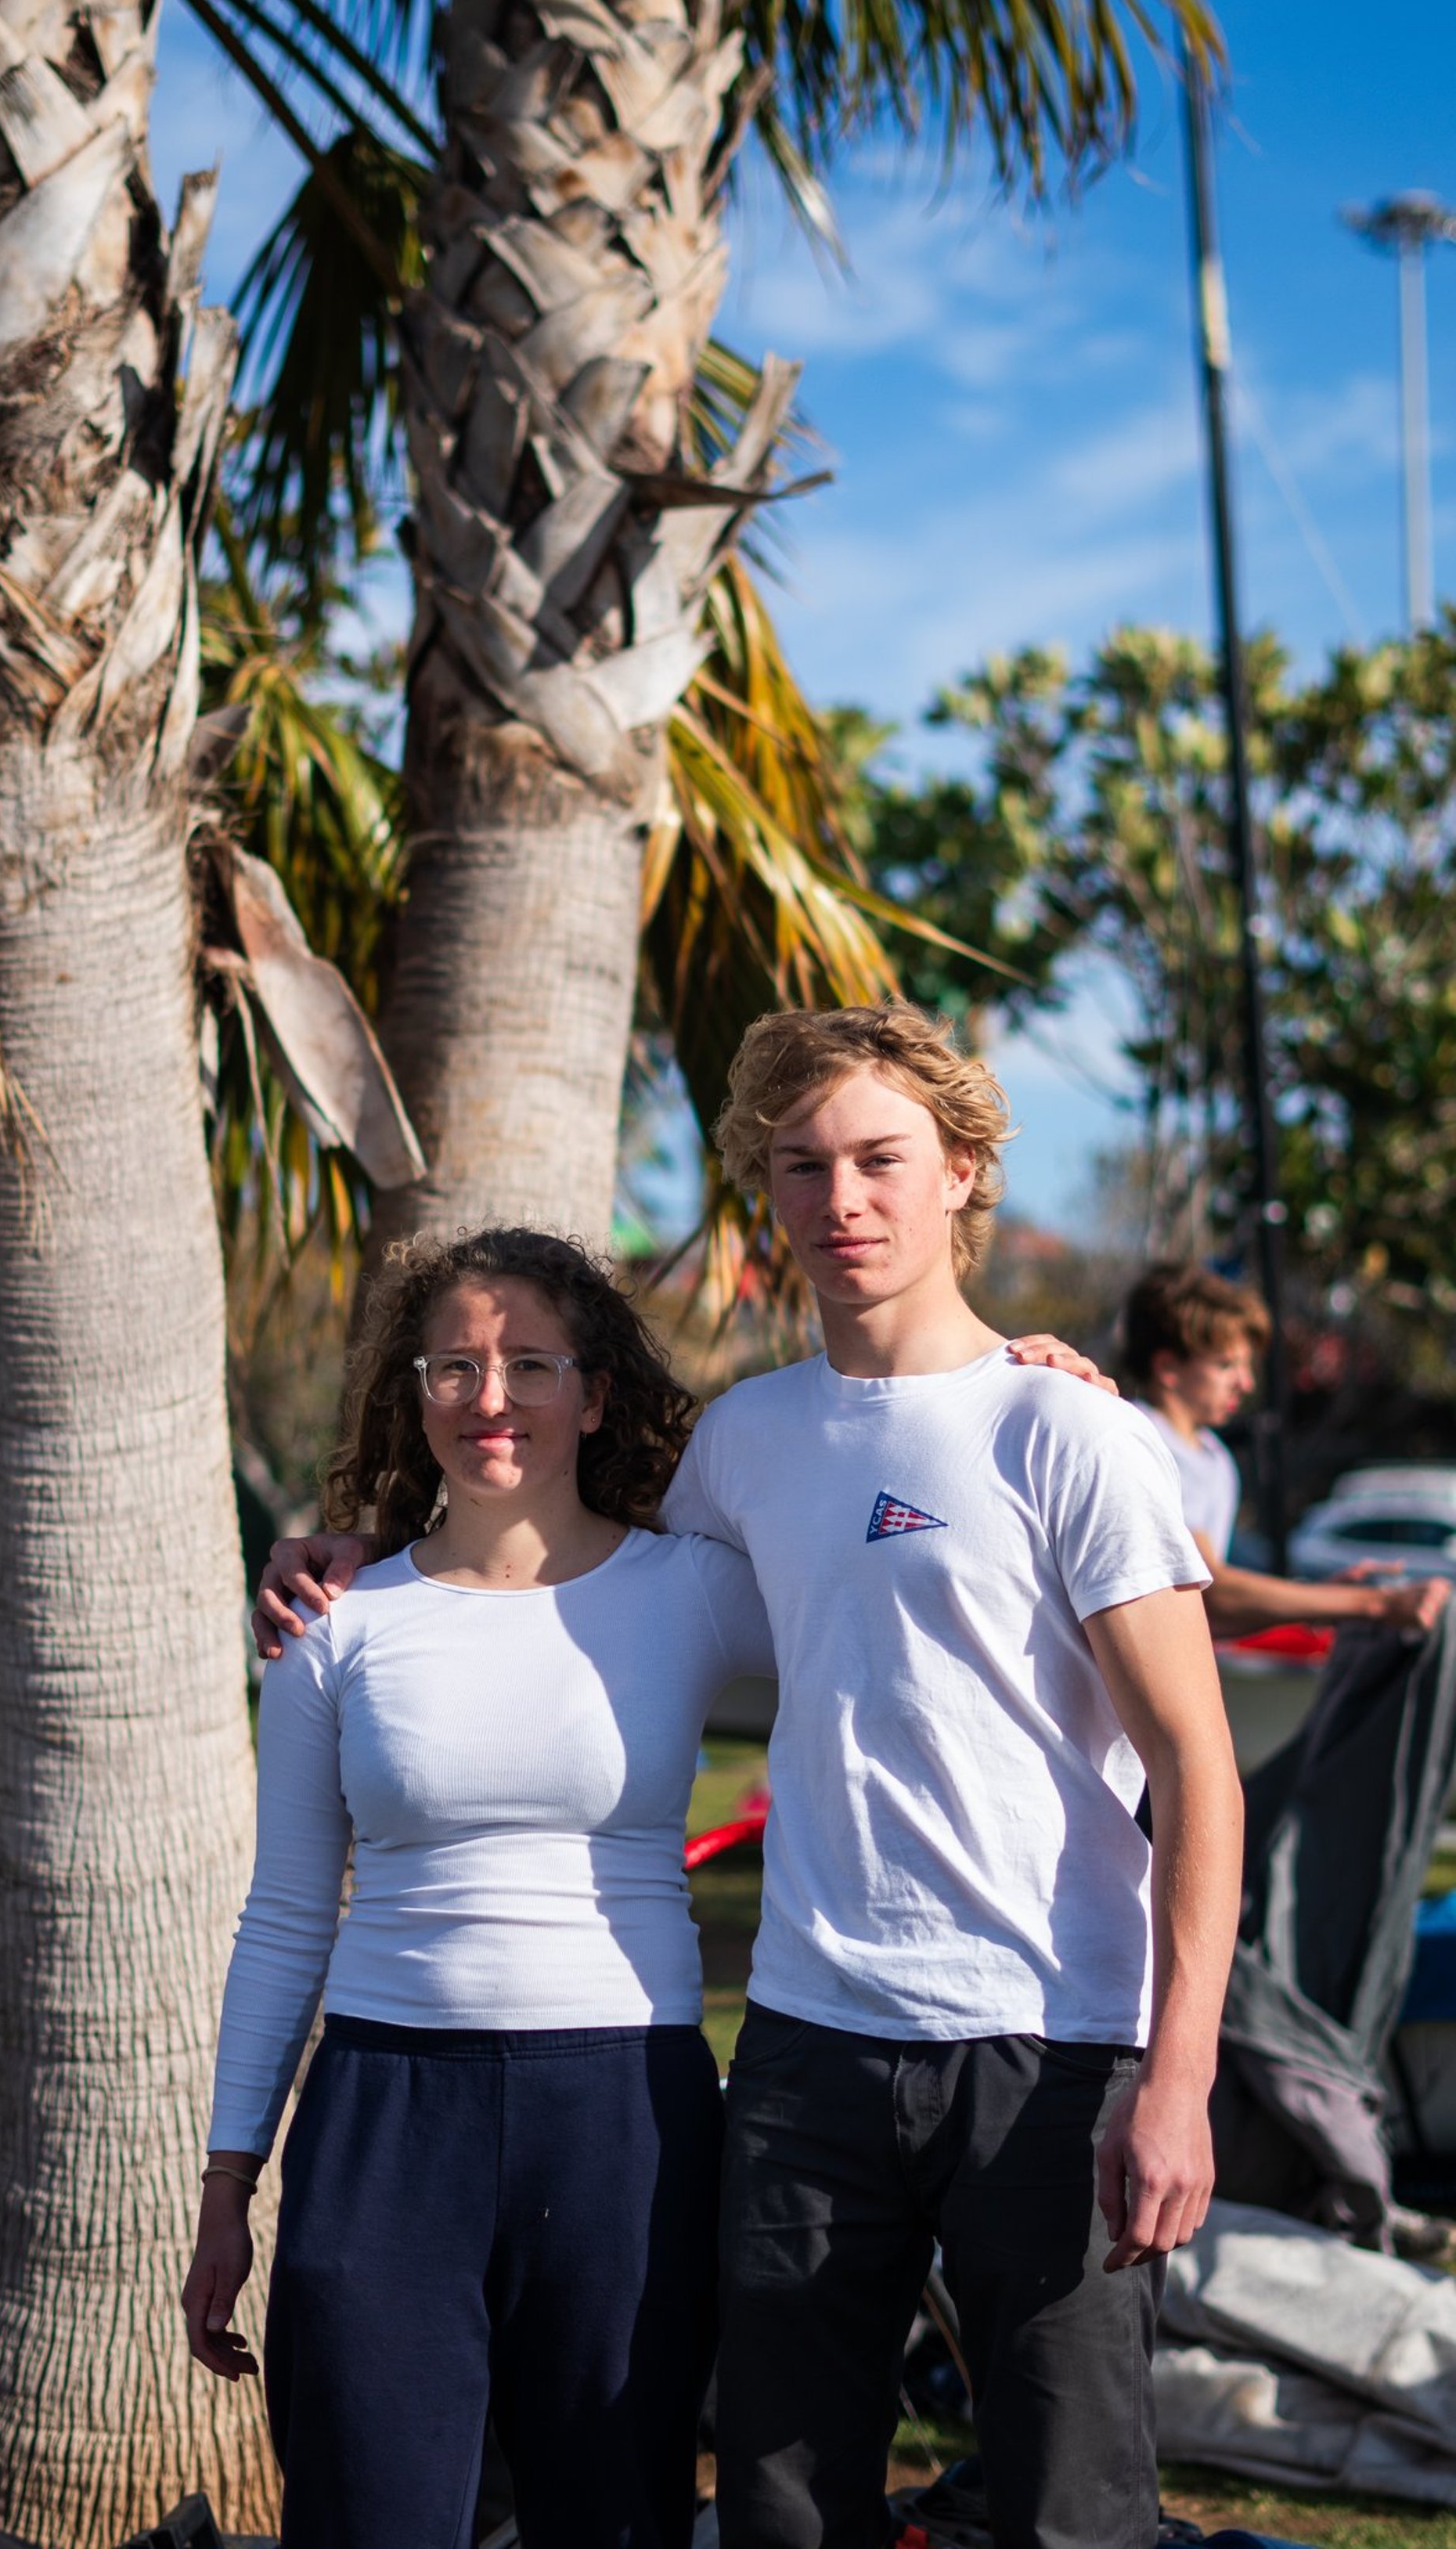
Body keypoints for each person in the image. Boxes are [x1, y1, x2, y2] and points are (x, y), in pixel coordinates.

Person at [258, 1002, 1245, 2549]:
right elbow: (546, 1544)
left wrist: (1179, 2076)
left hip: (1052, 2050)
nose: (841, 1198)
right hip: (803, 2050)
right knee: (782, 2508)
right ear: (769, 1194)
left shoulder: (1069, 1433)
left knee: (1073, 2512)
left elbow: (1200, 1767)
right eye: (803, 1166)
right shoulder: (742, 1441)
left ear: (964, 1171)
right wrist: (361, 1548)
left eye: (880, 1159)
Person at [184, 1228, 777, 2549]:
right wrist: (231, 2178)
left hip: (626, 2115)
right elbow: (287, 1915)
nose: (490, 1397)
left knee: (615, 2522)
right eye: (454, 1362)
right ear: (415, 1390)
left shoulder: (698, 1590)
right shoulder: (335, 1623)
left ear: (598, 1391)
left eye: (529, 1363)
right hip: (386, 2122)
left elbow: (897, 1599)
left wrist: (1010, 1384)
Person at [1123, 1262, 1449, 1636]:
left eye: (1247, 1367)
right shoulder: (1141, 1439)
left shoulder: (1212, 1455)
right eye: (1226, 1365)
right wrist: (1376, 1602)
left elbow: (1204, 1616)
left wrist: (1317, 1600)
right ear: (1168, 1367)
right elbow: (1210, 1591)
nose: (1245, 1384)